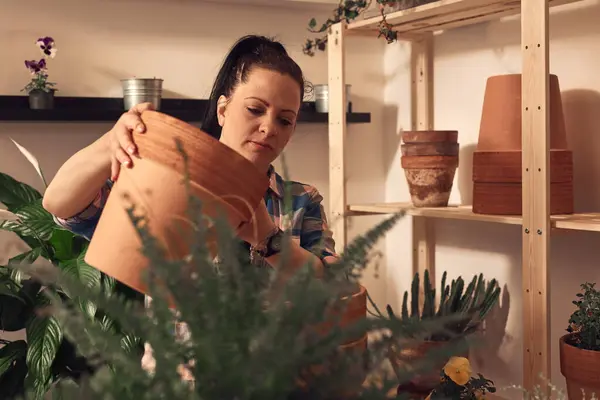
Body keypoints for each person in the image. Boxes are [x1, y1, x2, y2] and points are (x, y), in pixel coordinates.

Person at [42, 34, 338, 285]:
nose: (268, 128)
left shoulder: (302, 200)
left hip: (279, 355)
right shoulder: (167, 184)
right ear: (223, 109)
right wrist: (110, 144)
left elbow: (328, 285)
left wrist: (267, 237)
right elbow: (62, 206)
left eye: (285, 121)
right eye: (255, 109)